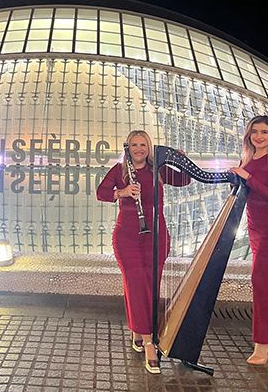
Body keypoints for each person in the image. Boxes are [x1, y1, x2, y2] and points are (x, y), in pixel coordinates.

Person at [96, 130, 190, 374]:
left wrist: (180, 160)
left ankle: (137, 331)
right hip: (127, 237)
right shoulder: (120, 171)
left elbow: (185, 180)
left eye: (143, 145)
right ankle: (149, 341)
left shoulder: (157, 170)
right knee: (136, 283)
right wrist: (122, 192)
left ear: (149, 148)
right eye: (134, 145)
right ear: (128, 148)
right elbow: (101, 193)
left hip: (156, 237)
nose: (139, 149)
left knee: (150, 285)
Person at [230, 115, 268, 365]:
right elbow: (243, 191)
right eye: (254, 132)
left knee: (261, 281)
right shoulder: (246, 159)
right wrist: (236, 178)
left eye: (264, 132)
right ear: (248, 135)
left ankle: (264, 344)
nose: (259, 136)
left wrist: (247, 177)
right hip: (255, 226)